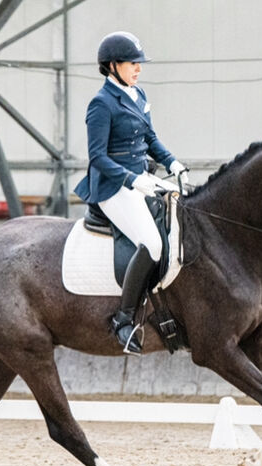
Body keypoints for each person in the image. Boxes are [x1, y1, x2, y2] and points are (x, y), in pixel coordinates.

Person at [74, 31, 187, 355]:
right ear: (112, 66)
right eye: (131, 63)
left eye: (139, 63)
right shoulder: (101, 103)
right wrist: (131, 181)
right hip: (112, 186)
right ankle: (123, 319)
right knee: (151, 243)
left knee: (183, 213)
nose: (138, 68)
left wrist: (172, 162)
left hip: (143, 176)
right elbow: (98, 156)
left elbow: (150, 138)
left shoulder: (138, 94)